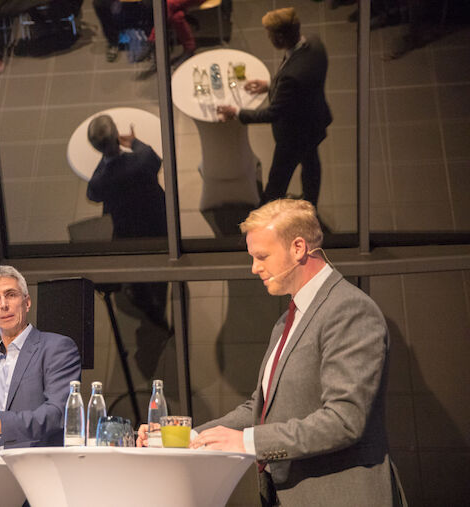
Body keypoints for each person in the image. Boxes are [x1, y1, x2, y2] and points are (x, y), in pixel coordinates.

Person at [137, 199, 405, 506]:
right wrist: (185, 439)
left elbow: (346, 419)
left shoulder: (349, 309)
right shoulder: (287, 320)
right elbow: (260, 408)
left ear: (299, 248)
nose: (254, 268)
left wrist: (249, 442)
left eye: (262, 256)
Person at [0, 265, 81, 454]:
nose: (3, 305)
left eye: (11, 295)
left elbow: (59, 414)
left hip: (32, 468)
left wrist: (1, 424)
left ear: (27, 302)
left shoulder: (56, 347)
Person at [217, 7, 332, 206]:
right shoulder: (315, 43)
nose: (268, 38)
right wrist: (271, 85)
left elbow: (273, 113)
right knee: (311, 163)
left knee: (277, 180)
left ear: (279, 37)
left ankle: (265, 216)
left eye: (269, 34)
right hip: (314, 121)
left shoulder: (291, 76)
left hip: (294, 135)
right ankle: (310, 203)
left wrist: (237, 112)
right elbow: (303, 81)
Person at [86, 114, 169, 329]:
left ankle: (143, 297)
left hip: (127, 228)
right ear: (116, 136)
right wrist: (133, 141)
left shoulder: (100, 180)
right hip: (156, 218)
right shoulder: (143, 159)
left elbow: (93, 195)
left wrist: (105, 156)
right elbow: (153, 159)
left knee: (136, 265)